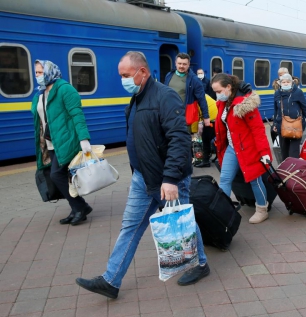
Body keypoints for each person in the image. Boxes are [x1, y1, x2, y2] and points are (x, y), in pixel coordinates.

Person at [75, 52, 210, 299]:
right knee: (131, 226)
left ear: (142, 72)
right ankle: (111, 280)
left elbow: (179, 140)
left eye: (126, 75)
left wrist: (170, 178)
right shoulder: (137, 97)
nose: (123, 80)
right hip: (143, 177)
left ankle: (201, 264)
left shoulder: (164, 96)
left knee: (183, 223)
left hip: (168, 179)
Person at [32, 60, 93, 226]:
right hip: (50, 143)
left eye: (40, 72)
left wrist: (83, 139)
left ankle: (81, 206)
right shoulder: (40, 93)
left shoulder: (65, 89)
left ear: (50, 72)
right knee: (65, 177)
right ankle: (76, 209)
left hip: (66, 141)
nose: (37, 75)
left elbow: (77, 115)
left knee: (55, 174)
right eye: (36, 72)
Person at [211, 73, 272, 224]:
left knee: (254, 180)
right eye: (215, 92)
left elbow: (258, 129)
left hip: (248, 148)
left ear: (229, 87)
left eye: (219, 91)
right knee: (225, 179)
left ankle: (262, 209)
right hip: (233, 148)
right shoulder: (223, 104)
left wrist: (264, 152)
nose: (217, 95)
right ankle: (224, 211)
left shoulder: (244, 105)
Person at [272, 74, 306, 159]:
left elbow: (305, 108)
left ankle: (294, 169)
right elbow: (276, 110)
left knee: (294, 152)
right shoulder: (277, 94)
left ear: (292, 82)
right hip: (282, 125)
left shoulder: (298, 92)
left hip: (296, 126)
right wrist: (275, 124)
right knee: (284, 151)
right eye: (283, 82)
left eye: (288, 82)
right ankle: (286, 169)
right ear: (280, 83)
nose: (286, 83)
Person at [164, 53, 210, 128]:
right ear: (175, 63)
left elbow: (202, 99)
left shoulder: (194, 80)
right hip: (168, 114)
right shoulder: (169, 75)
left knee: (182, 138)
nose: (181, 66)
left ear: (189, 64)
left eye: (184, 64)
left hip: (183, 116)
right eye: (179, 63)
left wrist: (206, 117)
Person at [194, 94, 218, 168]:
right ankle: (217, 157)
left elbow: (195, 114)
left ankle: (205, 161)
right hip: (217, 115)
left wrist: (194, 131)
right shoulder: (202, 95)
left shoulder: (194, 99)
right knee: (214, 138)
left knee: (206, 139)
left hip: (212, 118)